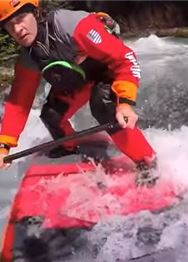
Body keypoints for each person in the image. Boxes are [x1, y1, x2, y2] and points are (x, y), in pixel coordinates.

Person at [0, 0, 157, 185]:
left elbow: (125, 58)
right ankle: (69, 149)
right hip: (79, 77)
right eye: (10, 25)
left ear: (35, 13)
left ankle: (147, 162)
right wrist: (4, 146)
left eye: (21, 18)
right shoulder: (29, 58)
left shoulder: (72, 26)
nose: (18, 28)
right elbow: (19, 102)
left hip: (107, 71)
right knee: (52, 116)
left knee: (103, 106)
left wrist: (125, 102)